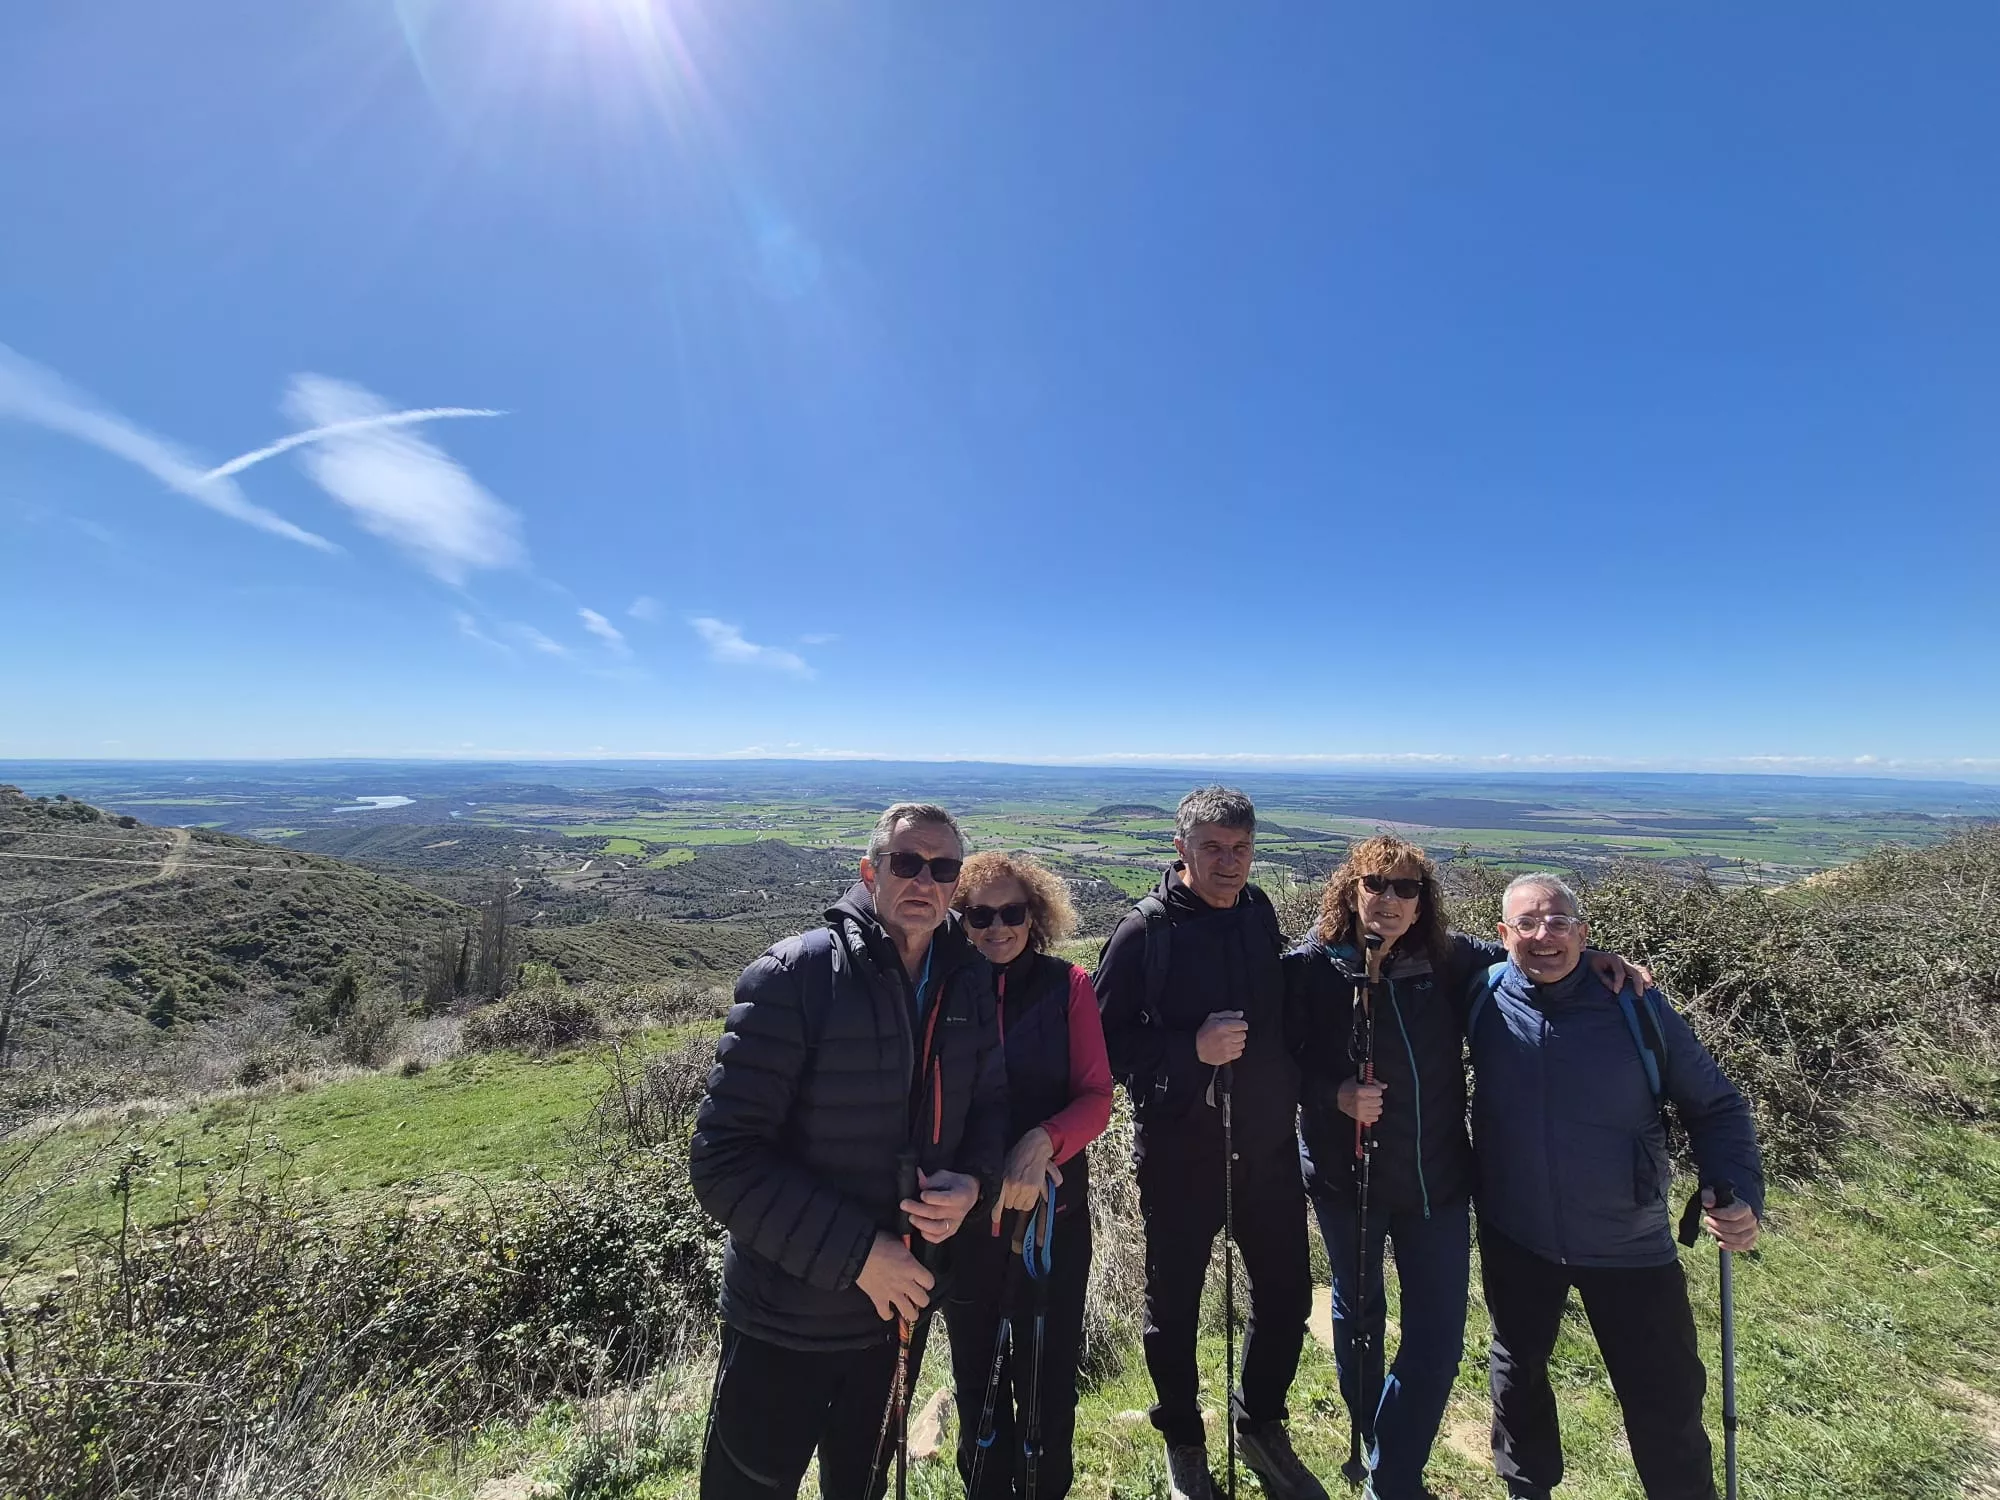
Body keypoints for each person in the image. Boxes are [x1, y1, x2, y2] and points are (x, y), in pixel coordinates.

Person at [1289, 839, 1651, 1500]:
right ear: (1351, 889)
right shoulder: (1310, 970)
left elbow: (1532, 955)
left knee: (1437, 1342)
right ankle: (1379, 1444)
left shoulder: (1451, 960)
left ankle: (1392, 1478)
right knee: (1359, 1318)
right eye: (1378, 884)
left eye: (1407, 889)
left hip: (1438, 1183)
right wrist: (1332, 1094)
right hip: (1347, 1183)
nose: (1392, 900)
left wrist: (1593, 957)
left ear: (1423, 899)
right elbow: (1276, 1065)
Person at [689, 803, 1009, 1500]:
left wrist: (975, 1183)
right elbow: (723, 1162)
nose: (925, 880)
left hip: (897, 1315)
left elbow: (990, 1109)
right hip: (785, 1321)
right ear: (870, 873)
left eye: (944, 868)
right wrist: (862, 1257)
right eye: (907, 863)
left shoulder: (969, 980)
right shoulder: (793, 976)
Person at [1468, 873, 1763, 1500]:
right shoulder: (1483, 997)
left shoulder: (1636, 1006)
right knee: (1518, 1375)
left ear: (1583, 931)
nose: (1543, 935)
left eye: (1558, 922)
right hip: (1515, 1231)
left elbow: (1716, 1107)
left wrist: (1734, 1190)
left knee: (1663, 1393)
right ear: (1503, 934)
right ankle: (1528, 1490)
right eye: (1527, 923)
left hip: (1629, 1239)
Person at [1096, 786, 1326, 1500]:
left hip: (1265, 1148)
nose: (1229, 863)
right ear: (1181, 848)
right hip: (1179, 1155)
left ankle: (1259, 1423)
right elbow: (1102, 1047)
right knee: (1176, 1310)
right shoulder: (1145, 932)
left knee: (1287, 1295)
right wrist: (1190, 1049)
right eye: (1213, 849)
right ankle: (1184, 1443)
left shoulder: (1259, 913)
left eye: (1241, 849)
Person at [943, 851, 1115, 1500]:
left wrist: (1045, 1140)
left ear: (1034, 915)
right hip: (966, 1227)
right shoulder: (941, 988)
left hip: (1053, 1225)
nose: (995, 927)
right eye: (977, 914)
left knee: (1047, 1385)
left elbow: (1096, 1097)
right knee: (975, 1380)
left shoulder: (1066, 986)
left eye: (1011, 912)